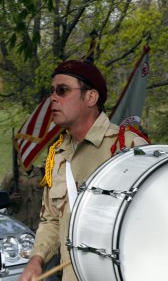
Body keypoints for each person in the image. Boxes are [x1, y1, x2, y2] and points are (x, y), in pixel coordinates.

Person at [19, 60, 149, 281]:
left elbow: (151, 218)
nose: (53, 98)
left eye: (62, 90)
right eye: (52, 91)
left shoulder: (128, 148)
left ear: (91, 97)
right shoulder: (57, 155)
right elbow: (51, 220)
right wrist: (36, 259)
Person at [0, 165, 44, 231]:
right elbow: (1, 198)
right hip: (18, 224)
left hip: (38, 223)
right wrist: (9, 198)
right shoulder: (10, 176)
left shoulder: (41, 174)